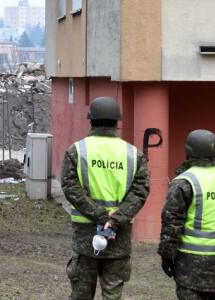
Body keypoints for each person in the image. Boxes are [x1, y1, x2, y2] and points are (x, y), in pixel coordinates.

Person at [60, 97, 150, 300]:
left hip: (85, 236)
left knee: (81, 294)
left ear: (90, 119)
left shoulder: (77, 151)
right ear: (117, 122)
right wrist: (115, 220)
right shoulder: (133, 154)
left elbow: (70, 187)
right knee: (113, 295)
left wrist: (100, 216)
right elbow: (141, 191)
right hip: (119, 236)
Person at [158, 129, 215, 300]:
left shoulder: (184, 181)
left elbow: (171, 222)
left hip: (190, 266)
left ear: (189, 152)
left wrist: (166, 254)